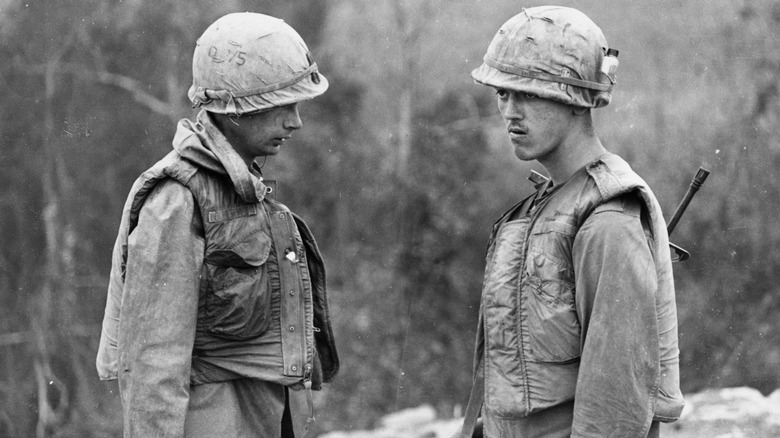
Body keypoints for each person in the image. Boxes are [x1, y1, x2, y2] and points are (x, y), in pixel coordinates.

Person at [95, 12, 338, 437]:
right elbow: (153, 362)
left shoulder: (244, 187)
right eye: (282, 105)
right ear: (237, 108)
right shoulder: (176, 200)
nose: (295, 121)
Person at [457, 6, 684, 438]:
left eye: (529, 94)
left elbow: (614, 408)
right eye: (503, 93)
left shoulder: (607, 221)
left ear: (577, 98)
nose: (510, 110)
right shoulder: (545, 204)